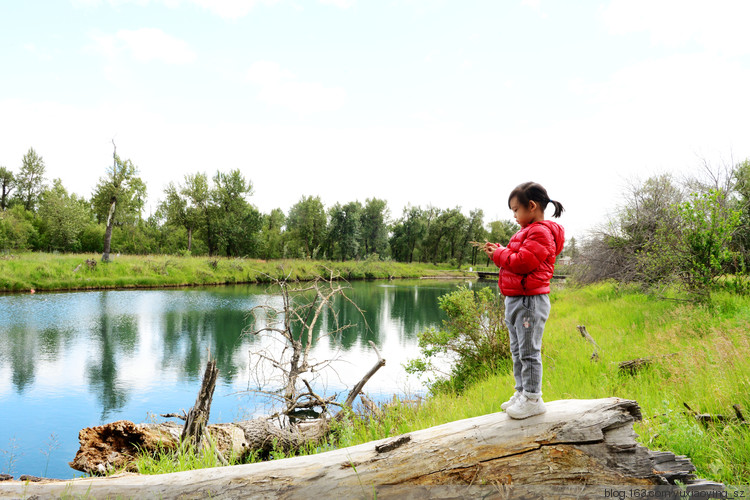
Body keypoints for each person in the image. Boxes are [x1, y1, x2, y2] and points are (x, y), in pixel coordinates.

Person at [483, 181, 565, 419]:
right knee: (517, 350)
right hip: (517, 299)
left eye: (515, 210)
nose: (514, 216)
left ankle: (532, 397)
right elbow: (516, 254)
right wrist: (500, 249)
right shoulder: (526, 232)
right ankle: (521, 392)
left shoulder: (540, 232)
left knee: (528, 351)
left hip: (530, 301)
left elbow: (522, 262)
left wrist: (500, 254)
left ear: (531, 206)